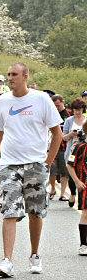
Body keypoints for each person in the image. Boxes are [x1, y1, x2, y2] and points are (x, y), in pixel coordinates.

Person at [0, 63, 63, 278]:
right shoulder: (3, 101)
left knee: (35, 212)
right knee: (9, 211)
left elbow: (57, 133)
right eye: (8, 74)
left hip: (35, 164)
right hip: (9, 164)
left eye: (14, 74)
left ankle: (35, 254)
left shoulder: (41, 99)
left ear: (25, 76)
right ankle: (7, 260)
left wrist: (47, 162)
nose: (10, 78)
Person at [66, 121, 87, 256]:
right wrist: (77, 181)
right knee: (85, 214)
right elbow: (69, 165)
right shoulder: (80, 147)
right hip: (85, 185)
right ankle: (84, 245)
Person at [62, 99, 86, 207]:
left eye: (80, 110)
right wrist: (72, 134)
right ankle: (72, 193)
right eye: (76, 110)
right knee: (72, 172)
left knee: (83, 173)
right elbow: (64, 137)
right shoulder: (69, 121)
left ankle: (83, 197)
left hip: (84, 151)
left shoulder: (86, 120)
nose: (78, 112)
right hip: (71, 151)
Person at [49, 94, 70, 200]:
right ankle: (52, 188)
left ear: (62, 102)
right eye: (54, 106)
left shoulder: (69, 114)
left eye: (58, 105)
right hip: (52, 146)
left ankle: (62, 193)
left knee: (64, 170)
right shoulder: (51, 114)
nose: (56, 107)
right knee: (52, 169)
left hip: (64, 147)